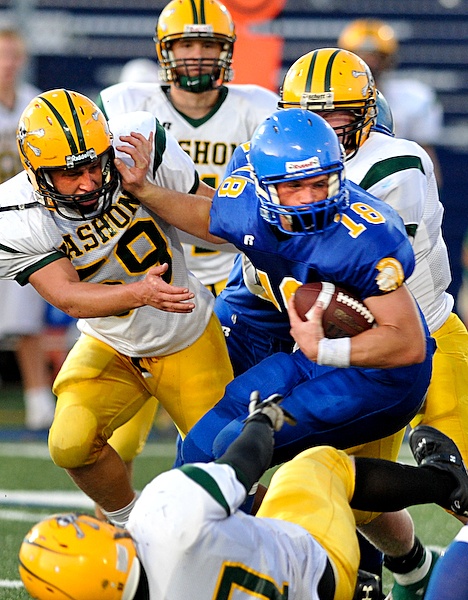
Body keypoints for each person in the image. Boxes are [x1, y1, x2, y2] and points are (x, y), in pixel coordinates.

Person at [216, 47, 467, 599]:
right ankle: (409, 569)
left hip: (426, 336)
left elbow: (349, 270)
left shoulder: (394, 164)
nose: (324, 127)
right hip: (354, 349)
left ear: (368, 113)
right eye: (312, 114)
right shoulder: (277, 160)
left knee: (459, 483)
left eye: (338, 116)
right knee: (348, 488)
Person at [121, 107, 434, 478]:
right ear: (264, 185)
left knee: (232, 446)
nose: (309, 199)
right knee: (200, 444)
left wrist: (326, 349)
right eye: (294, 187)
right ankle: (194, 525)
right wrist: (144, 190)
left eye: (320, 184)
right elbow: (210, 221)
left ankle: (433, 484)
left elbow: (409, 344)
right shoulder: (248, 203)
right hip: (313, 356)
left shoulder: (365, 237)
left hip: (381, 378)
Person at [0, 88, 233, 527]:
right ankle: (131, 525)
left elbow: (218, 226)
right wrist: (137, 294)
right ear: (35, 172)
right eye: (68, 175)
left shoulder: (137, 143)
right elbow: (66, 295)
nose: (87, 182)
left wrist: (146, 188)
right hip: (111, 343)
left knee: (228, 473)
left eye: (92, 165)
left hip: (185, 335)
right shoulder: (16, 213)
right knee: (70, 441)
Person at [18, 394, 468, 600]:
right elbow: (241, 468)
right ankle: (446, 483)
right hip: (320, 569)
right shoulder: (164, 514)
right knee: (315, 467)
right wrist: (261, 421)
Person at [97, 0, 279, 297]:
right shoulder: (124, 104)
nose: (197, 56)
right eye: (186, 45)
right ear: (165, 50)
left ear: (226, 50)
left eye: (209, 46)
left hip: (236, 269)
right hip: (145, 267)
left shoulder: (260, 108)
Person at [0, 26, 56, 430]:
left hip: (21, 219)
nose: (6, 65)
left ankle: (39, 402)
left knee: (26, 322)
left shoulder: (31, 104)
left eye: (12, 56)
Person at [337, 18, 444, 183]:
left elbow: (426, 159)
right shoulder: (331, 98)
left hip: (398, 181)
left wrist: (432, 199)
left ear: (388, 60)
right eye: (360, 55)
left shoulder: (413, 98)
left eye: (375, 56)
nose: (368, 63)